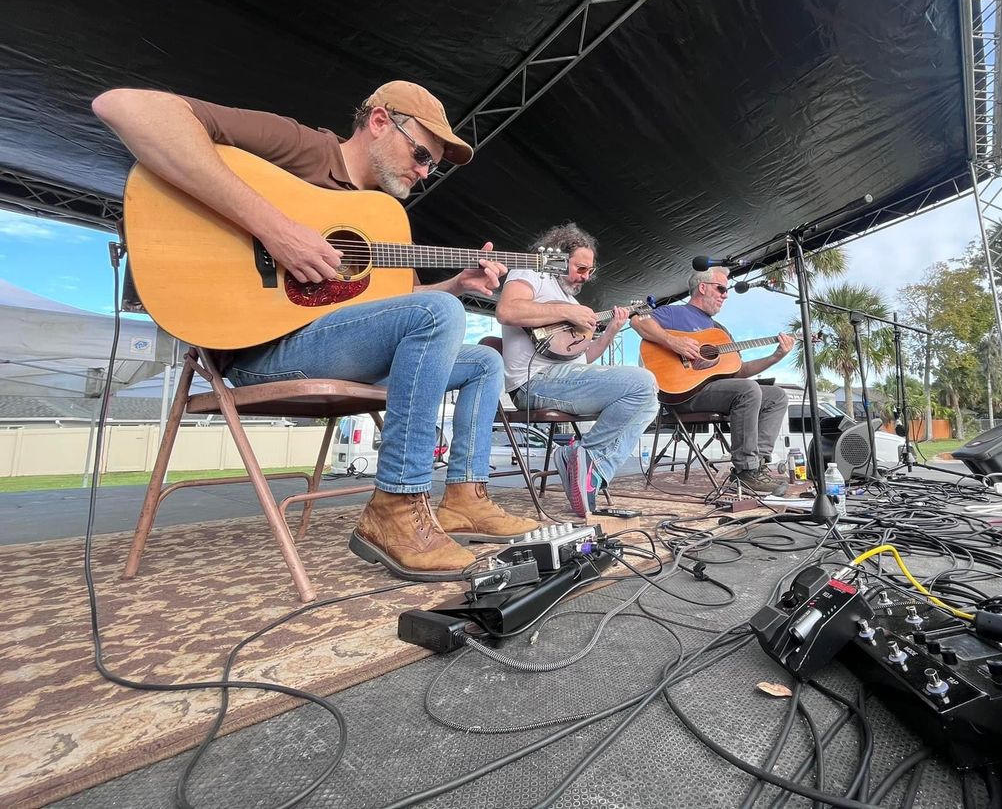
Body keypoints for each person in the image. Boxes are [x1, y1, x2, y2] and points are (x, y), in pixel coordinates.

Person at [92, 81, 540, 583]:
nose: (423, 170)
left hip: (335, 347)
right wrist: (275, 229)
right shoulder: (304, 147)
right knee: (437, 314)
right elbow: (124, 108)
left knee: (484, 360)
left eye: (431, 164)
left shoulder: (381, 218)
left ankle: (464, 498)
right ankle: (396, 506)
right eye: (421, 153)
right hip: (258, 354)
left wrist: (456, 285)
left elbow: (401, 315)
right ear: (378, 122)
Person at [495, 223, 659, 516]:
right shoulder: (531, 274)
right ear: (559, 257)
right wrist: (568, 312)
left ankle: (590, 470)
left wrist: (609, 331)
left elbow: (584, 360)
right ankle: (581, 459)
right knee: (643, 382)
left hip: (567, 380)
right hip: (534, 382)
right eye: (580, 268)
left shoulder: (573, 302)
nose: (585, 277)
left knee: (649, 402)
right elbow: (507, 311)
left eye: (589, 271)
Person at [630, 265, 794, 493]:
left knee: (776, 396)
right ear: (703, 287)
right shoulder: (674, 313)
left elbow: (738, 372)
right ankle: (746, 470)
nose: (725, 295)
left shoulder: (720, 331)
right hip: (682, 393)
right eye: (721, 289)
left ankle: (757, 466)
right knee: (748, 390)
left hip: (716, 392)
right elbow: (637, 321)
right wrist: (673, 342)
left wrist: (775, 356)